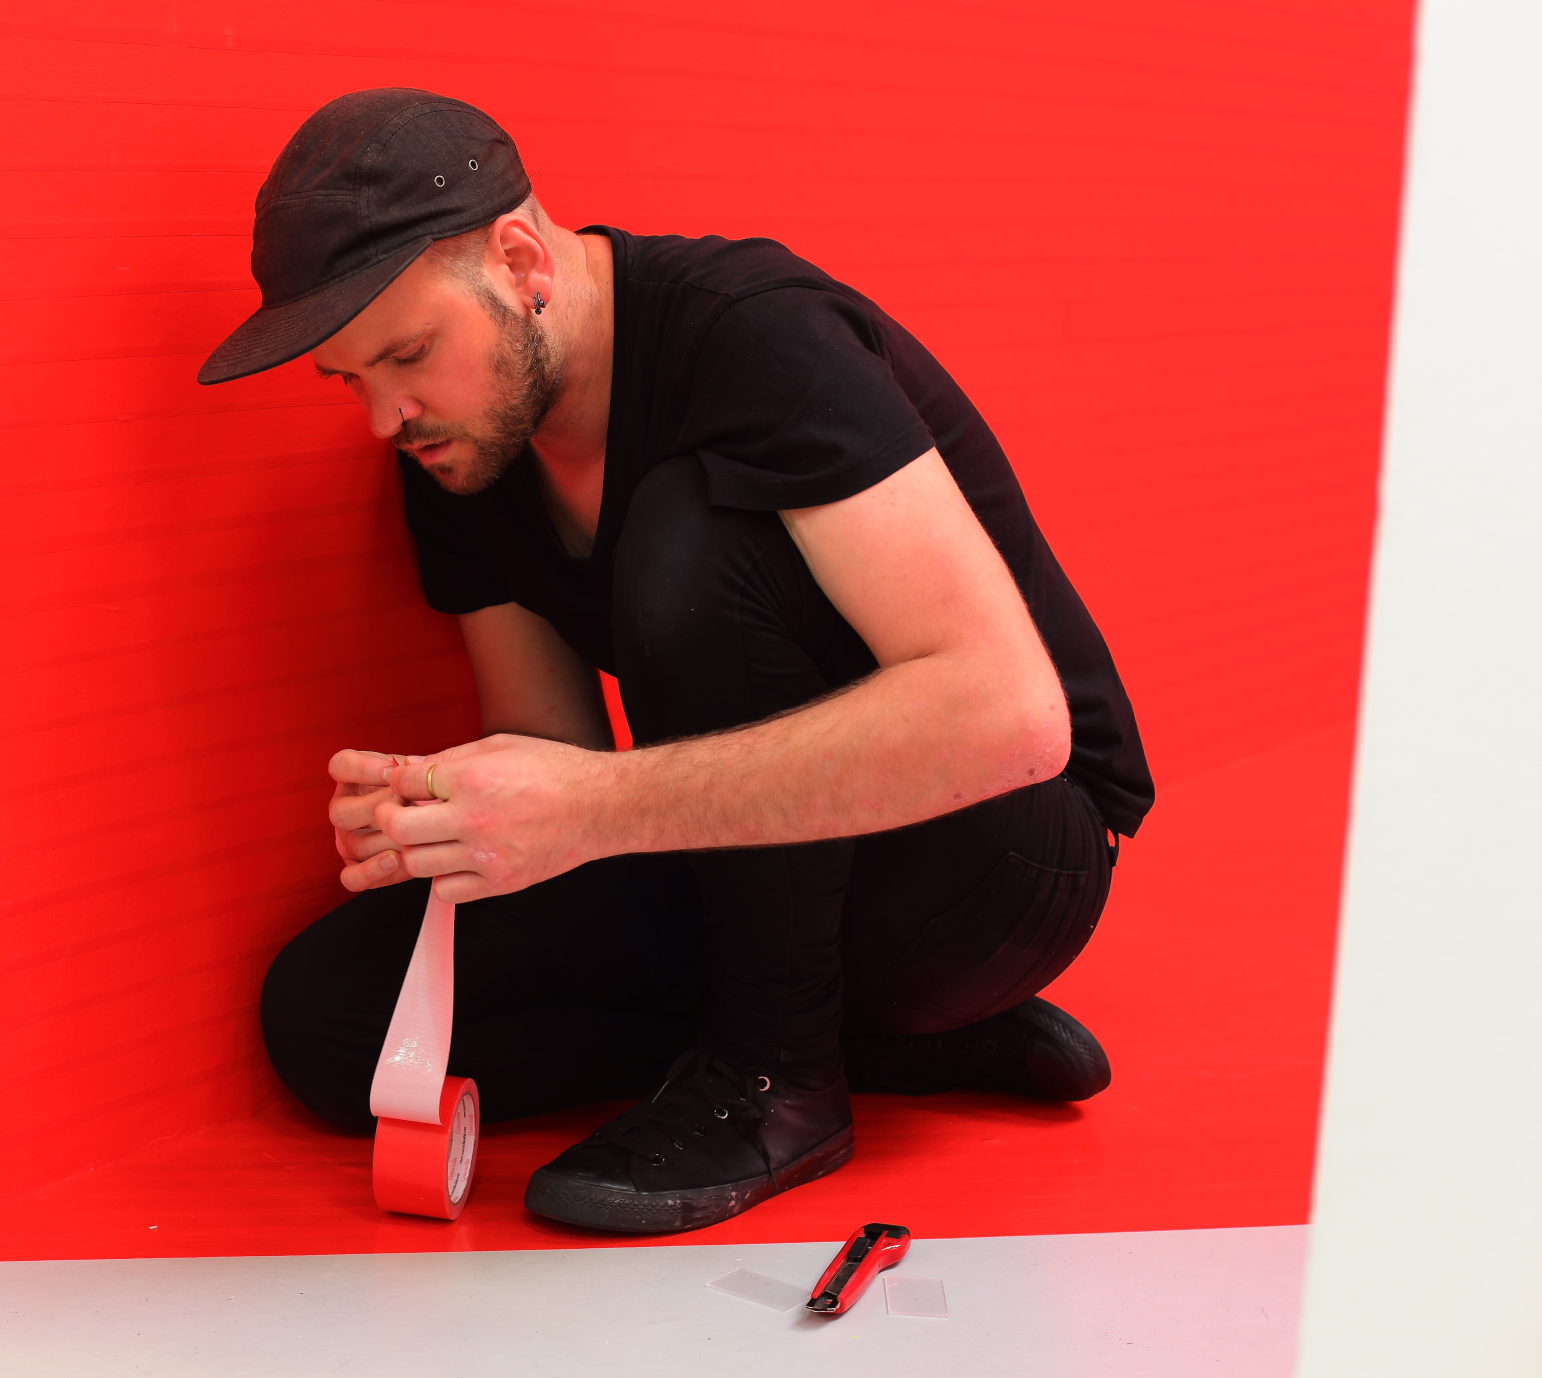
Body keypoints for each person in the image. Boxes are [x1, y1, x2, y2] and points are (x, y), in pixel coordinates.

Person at [198, 89, 1152, 1234]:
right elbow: (557, 751)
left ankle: (777, 1079)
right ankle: (869, 1039)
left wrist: (592, 806)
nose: (384, 417)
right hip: (756, 876)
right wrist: (451, 813)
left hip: (993, 858)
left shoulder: (751, 335)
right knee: (329, 1019)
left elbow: (1011, 720)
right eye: (348, 379)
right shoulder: (457, 447)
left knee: (685, 530)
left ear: (518, 260)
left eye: (406, 355)